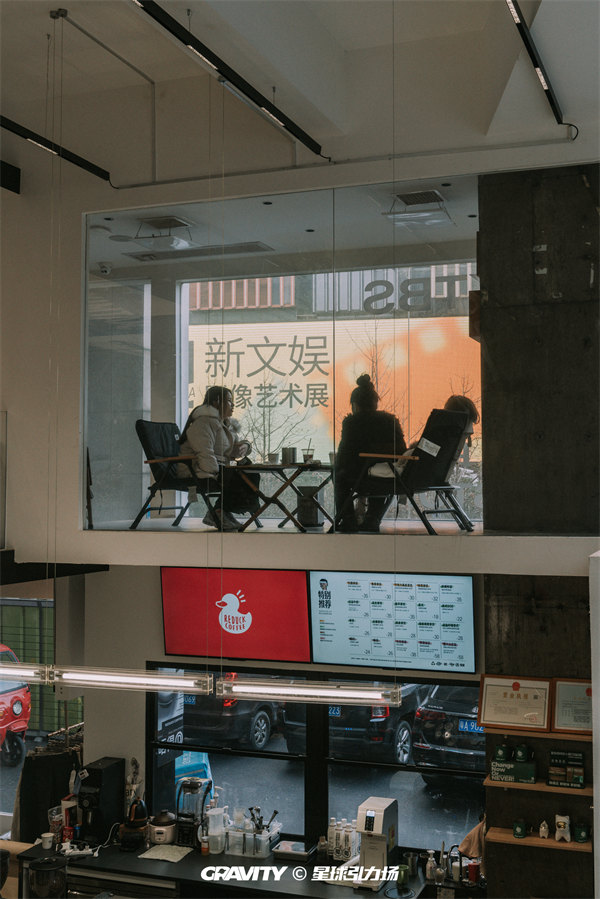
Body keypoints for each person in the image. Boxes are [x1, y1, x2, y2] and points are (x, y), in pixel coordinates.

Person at [177, 386, 259, 531]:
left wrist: (245, 446)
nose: (233, 405)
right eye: (229, 401)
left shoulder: (224, 424)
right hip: (197, 470)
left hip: (215, 468)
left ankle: (221, 511)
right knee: (235, 476)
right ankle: (219, 512)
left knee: (251, 473)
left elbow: (234, 446)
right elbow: (204, 453)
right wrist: (215, 472)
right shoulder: (203, 423)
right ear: (216, 403)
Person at [334, 374, 407, 533]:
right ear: (375, 403)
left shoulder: (352, 422)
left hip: (361, 474)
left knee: (339, 476)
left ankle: (348, 519)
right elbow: (402, 450)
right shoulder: (391, 421)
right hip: (387, 473)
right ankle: (373, 518)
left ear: (355, 405)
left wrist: (336, 464)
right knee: (385, 478)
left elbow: (344, 455)